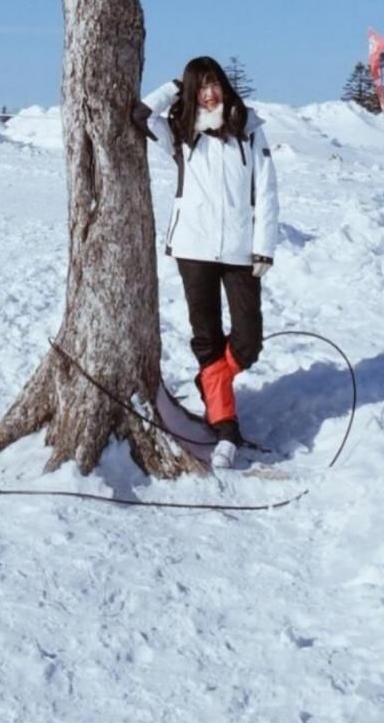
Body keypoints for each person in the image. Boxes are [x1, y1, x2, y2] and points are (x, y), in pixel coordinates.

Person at [133, 56, 279, 469]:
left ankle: (212, 379)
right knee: (206, 337)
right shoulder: (180, 134)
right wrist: (175, 87)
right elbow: (140, 114)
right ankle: (225, 425)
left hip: (239, 250)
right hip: (192, 249)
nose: (208, 93)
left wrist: (263, 246)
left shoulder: (248, 128)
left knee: (248, 341)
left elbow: (266, 190)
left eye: (213, 84)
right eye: (200, 87)